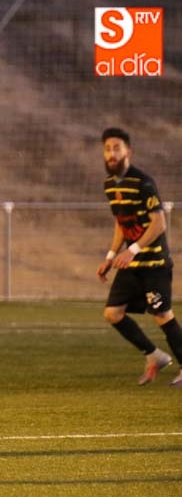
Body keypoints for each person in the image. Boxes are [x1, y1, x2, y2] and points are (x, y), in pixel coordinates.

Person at [96, 127, 182, 387]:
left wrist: (131, 251)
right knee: (112, 313)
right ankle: (155, 356)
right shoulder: (110, 185)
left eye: (117, 148)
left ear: (128, 152)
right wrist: (111, 256)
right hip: (131, 264)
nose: (112, 154)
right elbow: (120, 223)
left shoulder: (143, 182)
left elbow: (159, 223)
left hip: (154, 263)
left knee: (161, 314)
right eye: (108, 149)